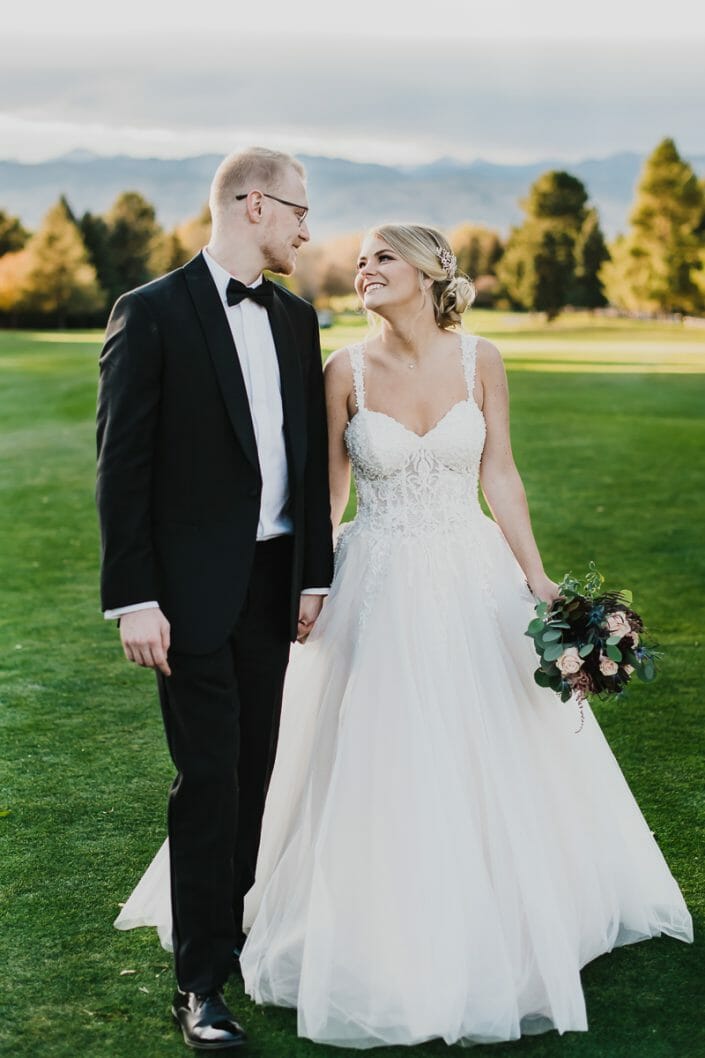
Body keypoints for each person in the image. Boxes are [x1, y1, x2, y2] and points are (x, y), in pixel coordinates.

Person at [116, 223, 693, 1049]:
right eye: (358, 262)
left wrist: (535, 576)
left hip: (471, 572)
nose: (364, 270)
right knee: (368, 748)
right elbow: (327, 490)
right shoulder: (342, 368)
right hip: (376, 579)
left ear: (427, 273)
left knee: (487, 740)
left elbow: (499, 472)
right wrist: (308, 583)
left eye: (382, 258)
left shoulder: (479, 360)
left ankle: (502, 908)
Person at [97, 146, 334, 1050]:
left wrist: (313, 572)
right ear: (252, 203)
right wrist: (135, 597)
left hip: (275, 589)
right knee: (209, 780)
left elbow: (306, 463)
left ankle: (230, 943)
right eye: (299, 211)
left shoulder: (299, 319)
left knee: (256, 775)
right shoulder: (150, 314)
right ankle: (199, 985)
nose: (307, 230)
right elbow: (122, 468)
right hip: (188, 597)